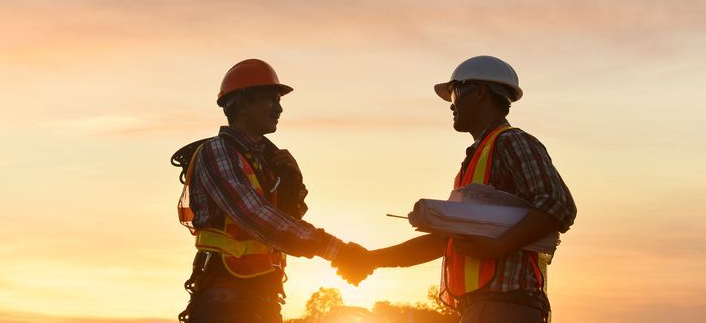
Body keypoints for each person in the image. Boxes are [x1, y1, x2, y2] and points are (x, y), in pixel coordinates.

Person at [337, 55, 576, 323]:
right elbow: (446, 240)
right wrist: (371, 259)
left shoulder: (513, 142)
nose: (451, 104)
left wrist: (498, 246)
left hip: (506, 306)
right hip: (483, 308)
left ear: (481, 93)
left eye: (455, 93)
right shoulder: (475, 161)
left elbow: (558, 204)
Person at [172, 58, 367, 323]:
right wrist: (335, 250)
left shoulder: (266, 160)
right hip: (224, 301)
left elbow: (287, 223)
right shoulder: (216, 152)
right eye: (271, 99)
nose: (279, 108)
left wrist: (292, 186)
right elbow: (253, 214)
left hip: (261, 297)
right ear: (242, 103)